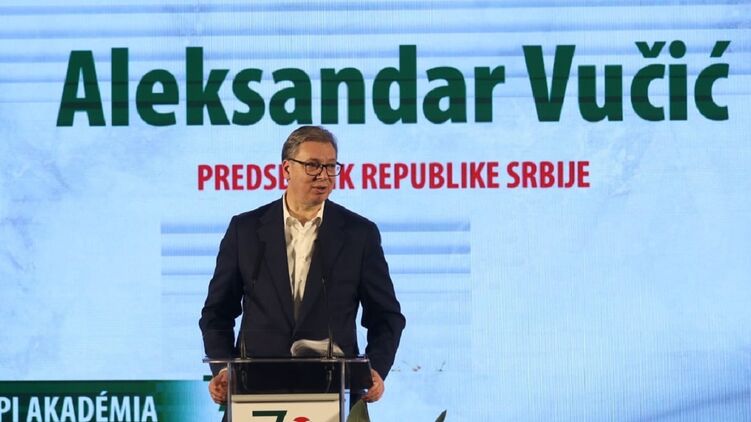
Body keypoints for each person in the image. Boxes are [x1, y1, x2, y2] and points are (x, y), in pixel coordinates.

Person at [199, 126, 406, 407]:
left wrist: (376, 368)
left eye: (331, 166)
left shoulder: (359, 234)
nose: (324, 175)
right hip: (255, 391)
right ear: (287, 169)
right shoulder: (245, 230)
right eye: (313, 165)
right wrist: (223, 369)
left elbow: (386, 316)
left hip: (333, 392)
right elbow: (217, 313)